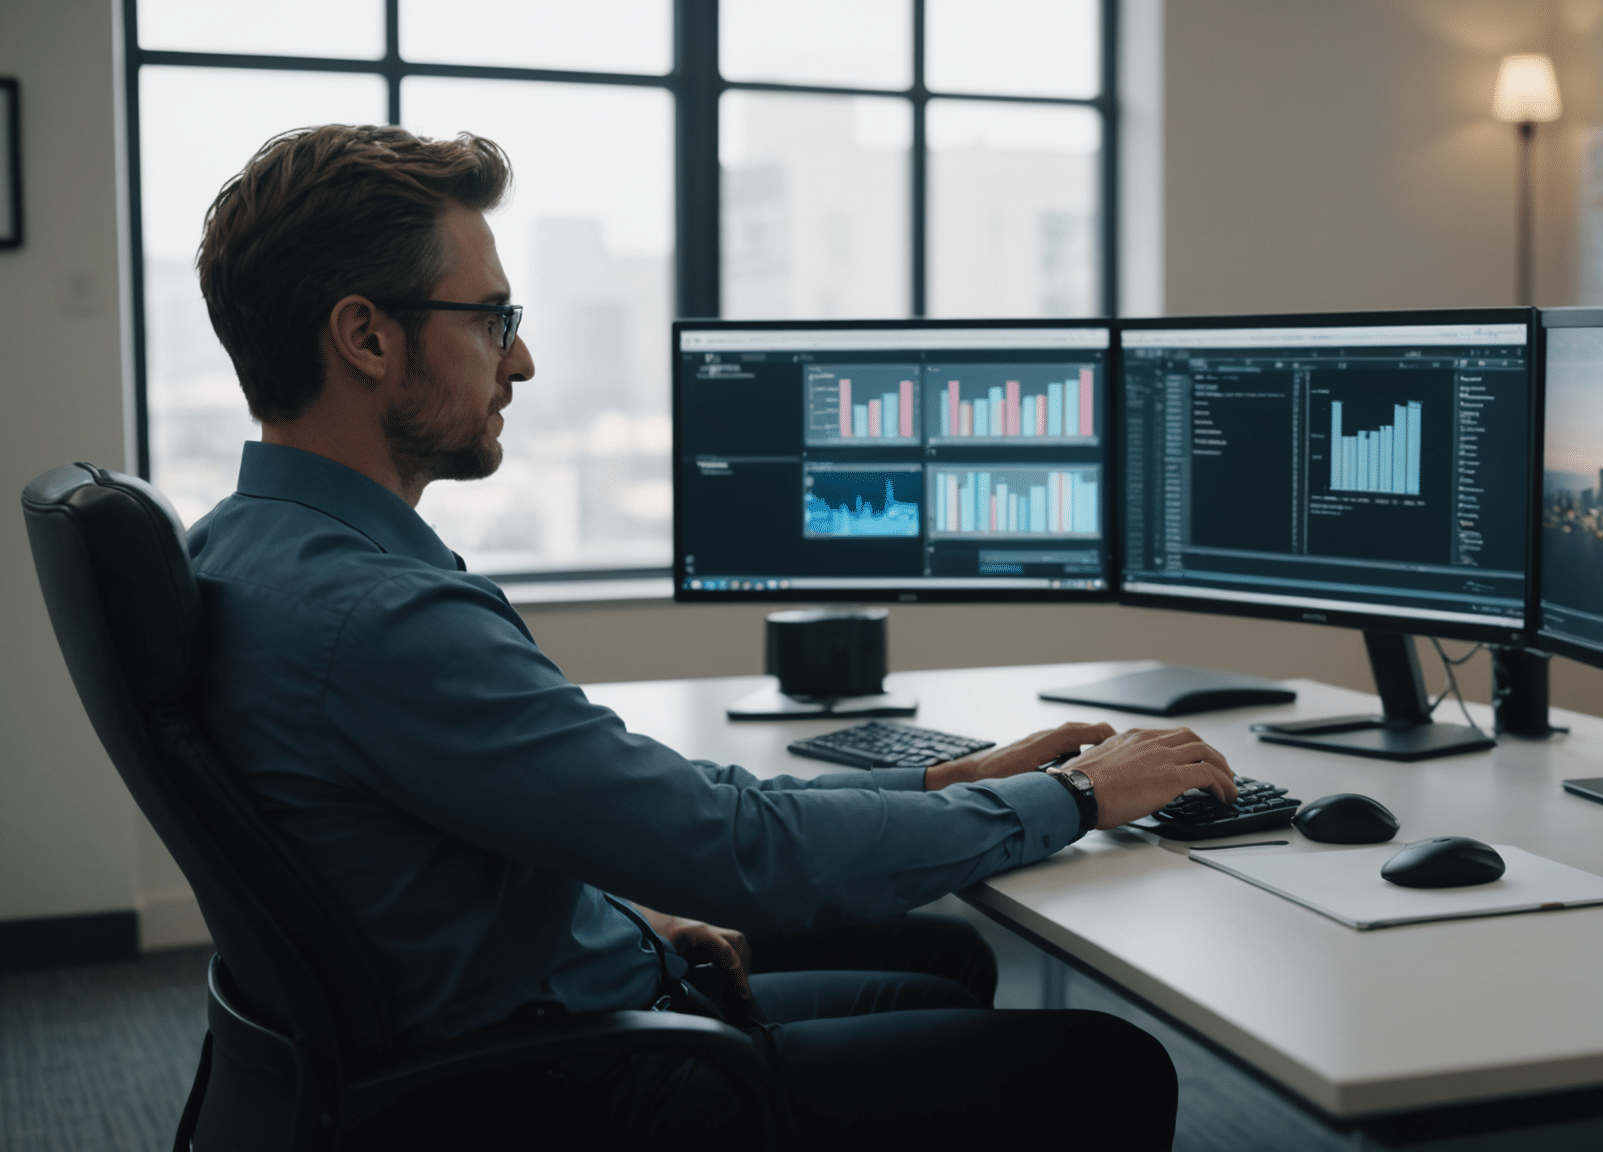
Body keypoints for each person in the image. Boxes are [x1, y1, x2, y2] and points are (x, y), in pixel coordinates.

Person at [187, 123, 1236, 1150]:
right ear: (366, 336)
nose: (526, 362)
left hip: (474, 1034)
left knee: (939, 969)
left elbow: (533, 830)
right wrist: (1078, 795)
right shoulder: (380, 621)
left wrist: (942, 781)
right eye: (494, 319)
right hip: (564, 1088)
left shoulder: (244, 552)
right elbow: (739, 852)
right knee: (1107, 1064)